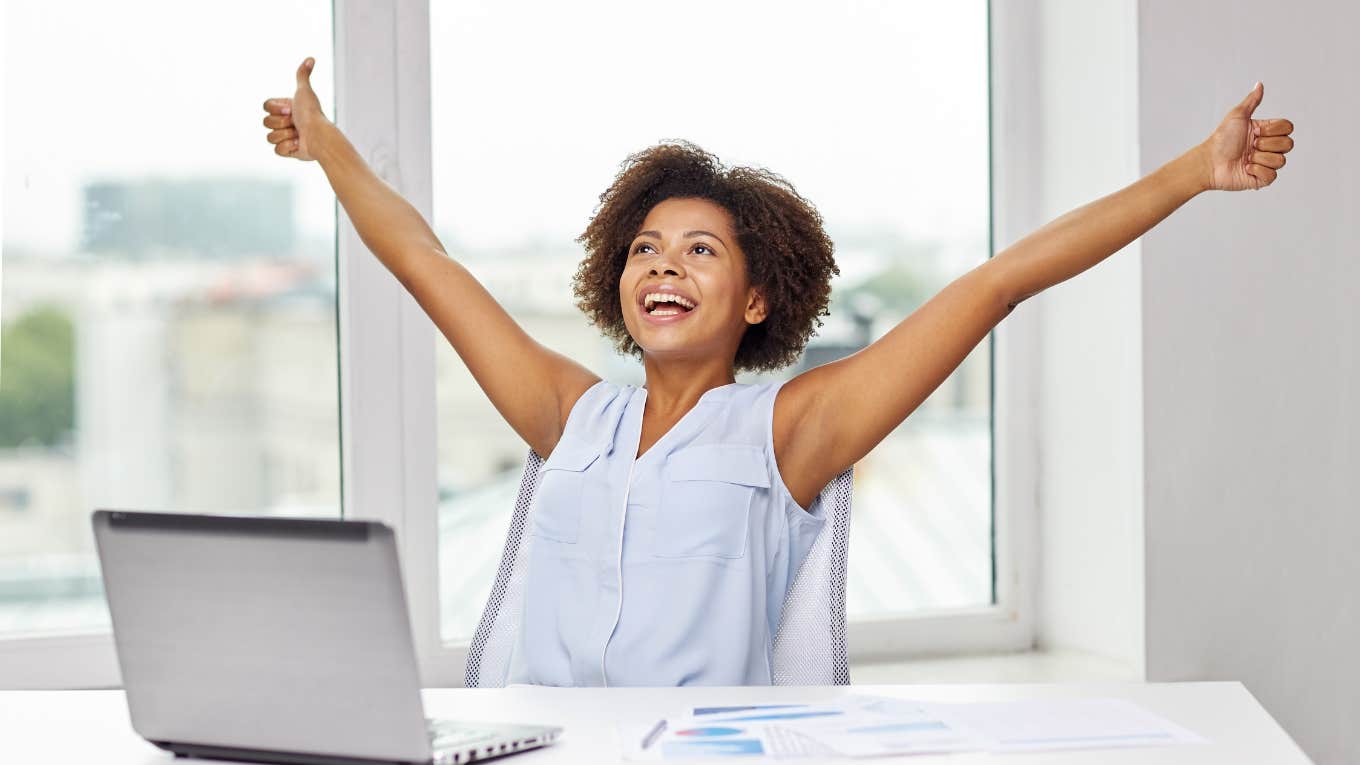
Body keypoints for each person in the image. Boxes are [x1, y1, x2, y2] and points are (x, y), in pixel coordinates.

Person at [261, 57, 1295, 686]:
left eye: (700, 250)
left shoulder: (786, 432)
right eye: (645, 248)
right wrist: (329, 144)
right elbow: (419, 258)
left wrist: (1191, 174)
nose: (663, 263)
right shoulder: (568, 415)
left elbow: (997, 283)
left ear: (757, 300)